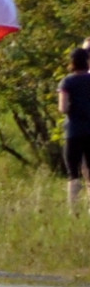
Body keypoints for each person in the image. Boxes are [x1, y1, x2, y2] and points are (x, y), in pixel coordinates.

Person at [57, 47, 90, 215]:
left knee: (73, 172)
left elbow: (63, 108)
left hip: (74, 131)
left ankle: (74, 211)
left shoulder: (67, 82)